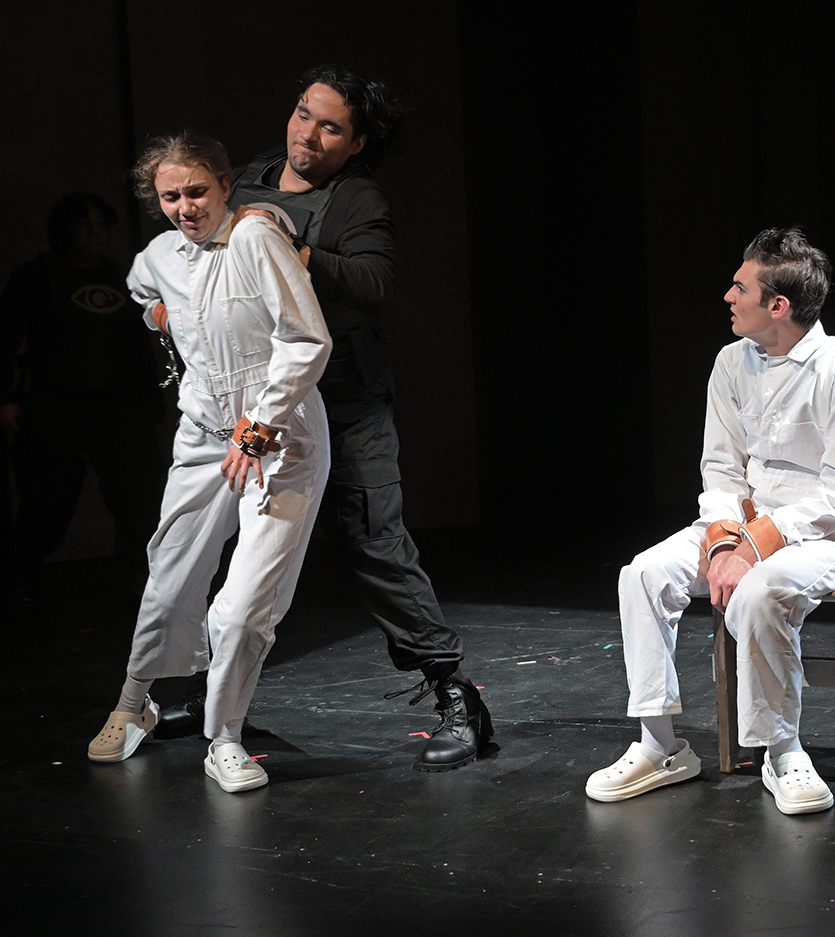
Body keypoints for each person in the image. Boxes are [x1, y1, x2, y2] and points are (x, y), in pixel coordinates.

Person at [158, 65, 491, 772]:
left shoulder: (357, 199)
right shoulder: (245, 179)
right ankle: (206, 692)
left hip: (343, 401)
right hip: (253, 405)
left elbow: (375, 282)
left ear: (357, 142)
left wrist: (297, 249)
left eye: (330, 126)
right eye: (304, 113)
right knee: (204, 546)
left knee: (375, 541)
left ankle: (456, 695)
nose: (308, 133)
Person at [586, 227, 835, 815]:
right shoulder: (731, 363)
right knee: (644, 574)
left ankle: (782, 751)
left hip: (821, 534)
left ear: (778, 305)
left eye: (740, 287)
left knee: (758, 594)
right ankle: (659, 746)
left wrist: (752, 546)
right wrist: (725, 540)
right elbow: (722, 469)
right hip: (741, 524)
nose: (728, 296)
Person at [86, 133, 331, 793]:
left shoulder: (255, 237)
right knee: (169, 579)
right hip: (202, 439)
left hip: (278, 441)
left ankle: (223, 737)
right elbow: (141, 290)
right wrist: (157, 316)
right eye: (171, 196)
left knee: (243, 607)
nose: (185, 207)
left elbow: (307, 339)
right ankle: (133, 703)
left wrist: (260, 425)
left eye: (197, 191)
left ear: (225, 187)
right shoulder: (160, 254)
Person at [0, 193, 165, 596]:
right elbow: (5, 339)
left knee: (138, 501)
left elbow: (140, 344)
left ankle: (145, 583)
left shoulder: (121, 276)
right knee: (46, 504)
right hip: (56, 407)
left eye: (101, 225)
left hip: (119, 407)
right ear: (64, 230)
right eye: (84, 224)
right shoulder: (37, 276)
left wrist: (153, 400)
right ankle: (21, 584)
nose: (94, 233)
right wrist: (5, 398)